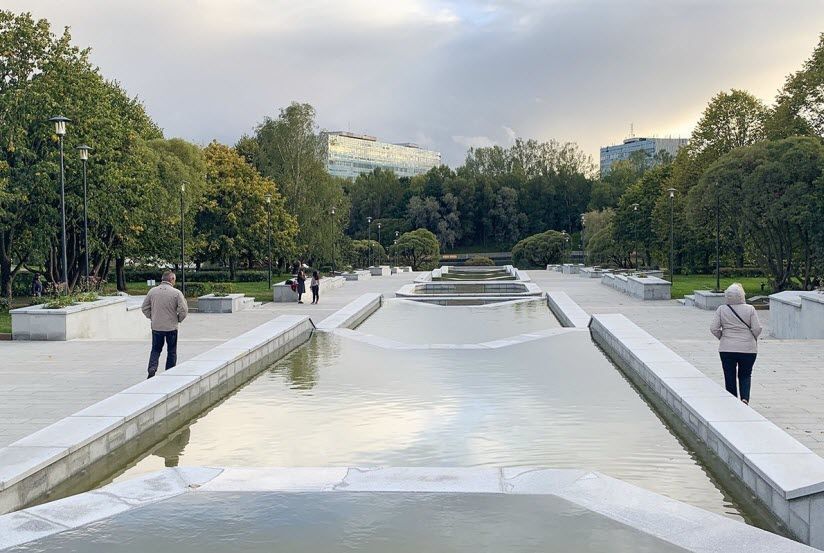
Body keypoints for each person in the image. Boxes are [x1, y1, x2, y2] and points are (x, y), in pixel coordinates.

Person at [710, 282, 762, 405]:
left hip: (726, 349)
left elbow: (714, 328)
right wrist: (751, 338)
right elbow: (757, 328)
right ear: (742, 295)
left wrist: (723, 338)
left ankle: (732, 401)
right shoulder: (750, 309)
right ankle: (744, 398)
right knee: (745, 374)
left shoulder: (721, 309)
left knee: (729, 376)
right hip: (748, 349)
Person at [141, 270, 188, 379]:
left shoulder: (152, 291)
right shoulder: (176, 293)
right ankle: (169, 373)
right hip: (171, 327)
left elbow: (144, 308)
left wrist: (152, 317)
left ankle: (152, 369)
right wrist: (178, 319)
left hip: (156, 326)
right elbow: (184, 310)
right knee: (171, 350)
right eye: (174, 279)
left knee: (156, 349)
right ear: (171, 279)